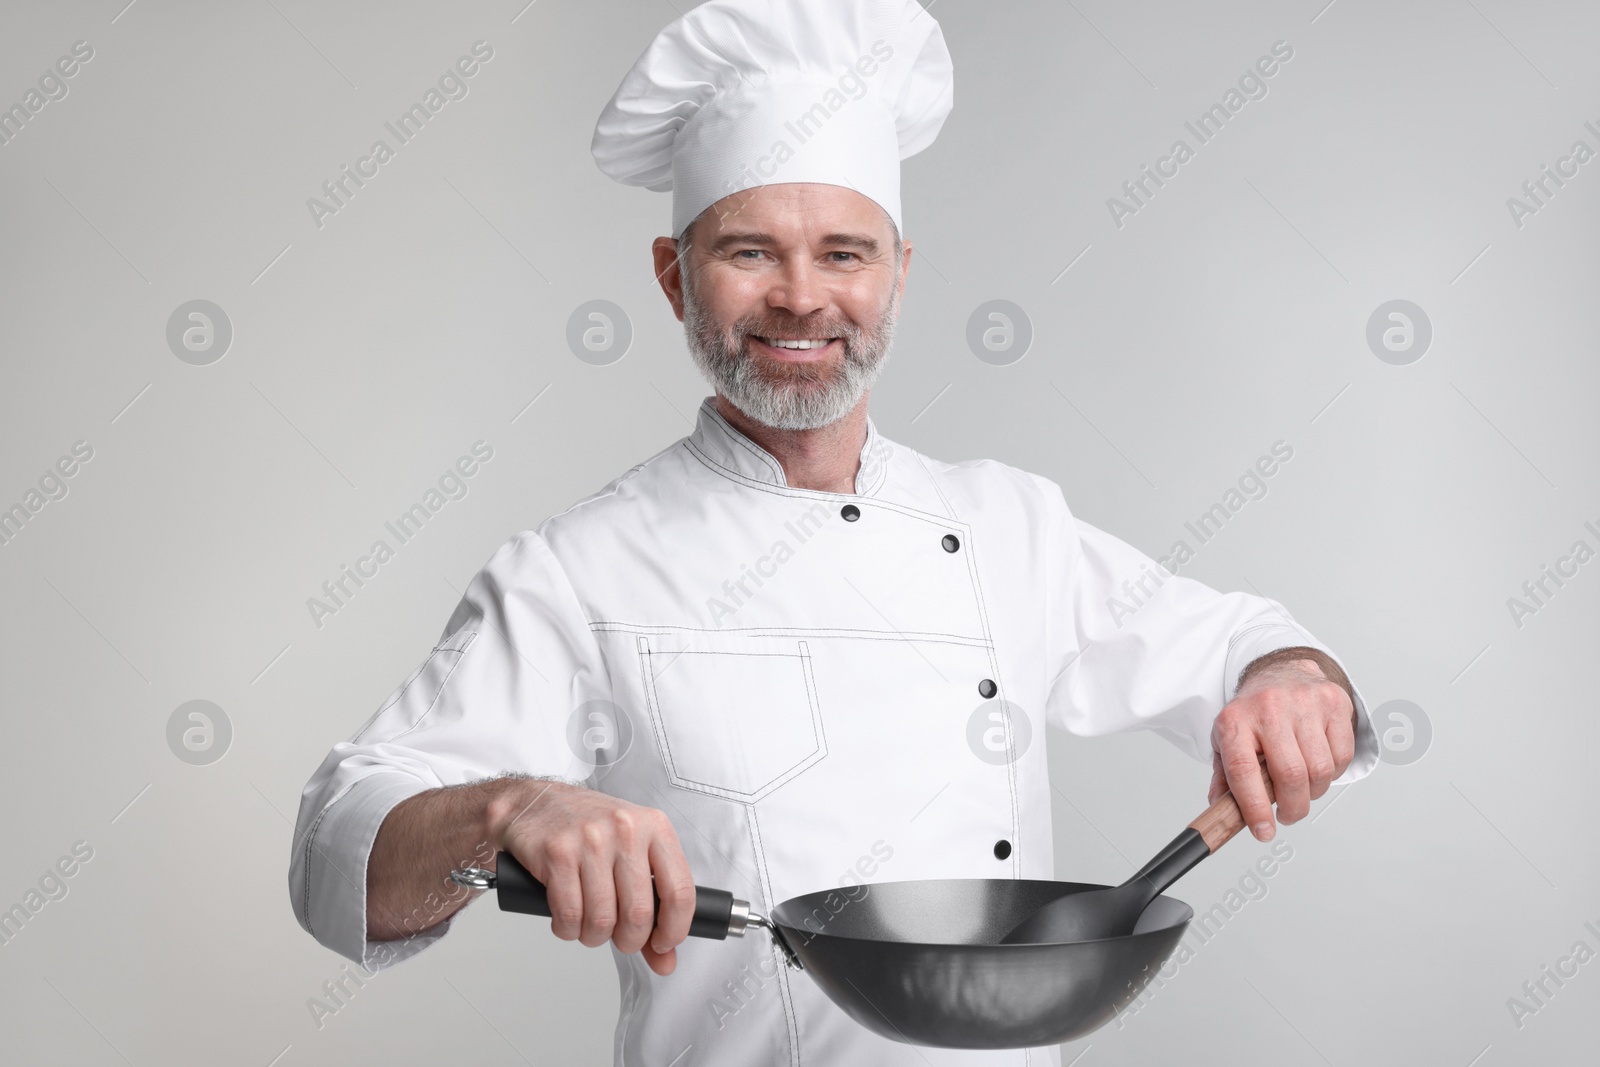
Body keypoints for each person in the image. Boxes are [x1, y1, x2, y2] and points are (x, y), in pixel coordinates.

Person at [288, 1, 1379, 1063]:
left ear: (899, 275)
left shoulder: (1007, 525)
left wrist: (1288, 678)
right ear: (674, 278)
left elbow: (1245, 645)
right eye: (749, 252)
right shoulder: (577, 570)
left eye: (845, 254)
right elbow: (340, 844)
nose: (802, 298)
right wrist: (505, 805)